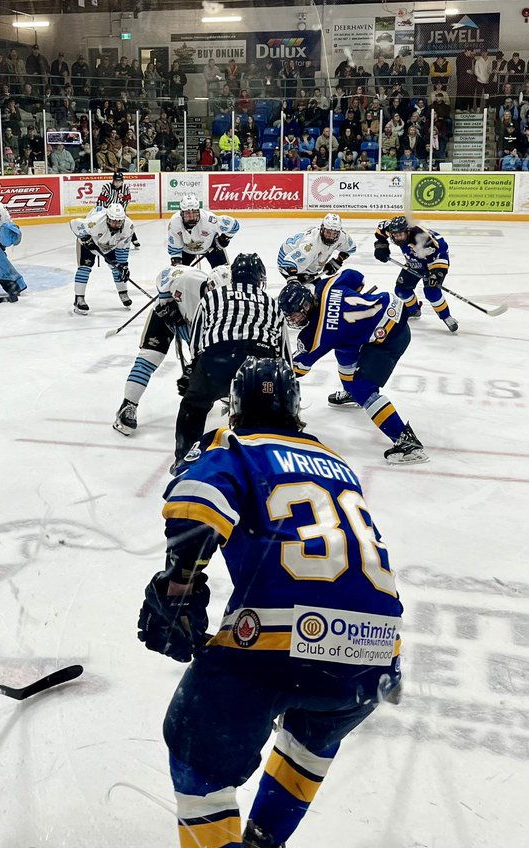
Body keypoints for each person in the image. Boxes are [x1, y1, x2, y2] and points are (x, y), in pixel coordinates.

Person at [138, 357, 404, 848]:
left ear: (235, 407)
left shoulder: (235, 443)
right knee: (312, 740)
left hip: (278, 640)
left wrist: (180, 589)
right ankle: (264, 840)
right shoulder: (336, 461)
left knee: (199, 750)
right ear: (296, 407)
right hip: (377, 654)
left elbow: (196, 505)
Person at [278, 271, 428, 464]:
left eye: (296, 314)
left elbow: (298, 368)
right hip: (391, 307)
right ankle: (350, 392)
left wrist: (272, 369)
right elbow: (356, 277)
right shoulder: (326, 286)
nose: (294, 320)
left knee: (363, 389)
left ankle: (408, 443)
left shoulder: (315, 335)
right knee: (344, 345)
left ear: (306, 305)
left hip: (391, 336)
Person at [173, 254, 283, 469]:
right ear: (259, 278)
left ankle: (184, 460)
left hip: (217, 360)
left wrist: (195, 373)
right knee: (262, 414)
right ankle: (261, 464)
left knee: (193, 406)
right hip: (259, 366)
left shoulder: (212, 297)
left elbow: (197, 342)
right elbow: (282, 352)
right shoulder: (272, 303)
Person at [113, 264, 230, 436]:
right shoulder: (187, 280)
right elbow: (165, 275)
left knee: (210, 360)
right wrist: (166, 303)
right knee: (150, 357)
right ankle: (128, 405)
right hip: (166, 317)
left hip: (192, 325)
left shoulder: (225, 306)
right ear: (209, 285)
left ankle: (223, 394)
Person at [373, 215, 457, 333]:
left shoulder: (424, 239)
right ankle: (414, 310)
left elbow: (440, 253)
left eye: (401, 234)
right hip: (414, 260)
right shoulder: (390, 227)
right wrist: (381, 246)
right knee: (401, 290)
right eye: (395, 235)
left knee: (431, 292)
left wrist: (436, 274)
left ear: (408, 231)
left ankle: (446, 317)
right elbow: (380, 233)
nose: (398, 238)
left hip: (434, 259)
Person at [70, 202, 134, 315]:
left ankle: (123, 293)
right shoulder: (95, 222)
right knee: (84, 268)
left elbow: (123, 248)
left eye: (119, 221)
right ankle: (79, 299)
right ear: (107, 218)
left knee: (118, 269)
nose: (116, 224)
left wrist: (123, 265)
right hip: (88, 245)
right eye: (113, 221)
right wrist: (85, 238)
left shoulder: (128, 226)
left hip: (109, 245)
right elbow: (74, 224)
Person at [276, 214, 356, 282]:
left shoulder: (342, 237)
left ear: (339, 232)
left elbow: (351, 249)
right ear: (322, 229)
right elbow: (288, 263)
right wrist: (293, 281)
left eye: (334, 233)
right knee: (308, 292)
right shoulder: (311, 244)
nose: (331, 237)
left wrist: (338, 261)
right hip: (286, 260)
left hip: (307, 263)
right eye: (328, 232)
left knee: (317, 291)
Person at [167, 195, 239, 269]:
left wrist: (224, 239)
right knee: (178, 276)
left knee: (224, 274)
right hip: (186, 251)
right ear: (181, 213)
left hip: (211, 248)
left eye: (194, 213)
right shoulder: (175, 222)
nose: (191, 217)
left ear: (198, 211)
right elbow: (175, 249)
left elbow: (234, 225)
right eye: (187, 213)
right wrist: (177, 262)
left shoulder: (209, 220)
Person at [94, 169, 140, 249]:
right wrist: (101, 211)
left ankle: (134, 239)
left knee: (127, 223)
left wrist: (122, 210)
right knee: (102, 224)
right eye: (116, 181)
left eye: (120, 181)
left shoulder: (125, 188)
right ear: (113, 181)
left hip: (119, 211)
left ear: (122, 181)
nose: (118, 183)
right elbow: (101, 200)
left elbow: (127, 199)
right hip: (107, 210)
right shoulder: (107, 187)